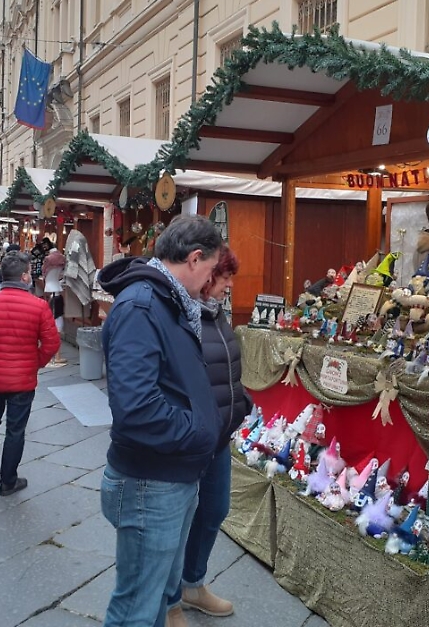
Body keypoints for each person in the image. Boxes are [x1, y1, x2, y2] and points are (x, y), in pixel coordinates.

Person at [96, 215, 224, 627]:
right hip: (150, 482)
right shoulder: (142, 305)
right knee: (137, 605)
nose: (209, 281)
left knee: (151, 603)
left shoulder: (165, 300)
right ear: (194, 258)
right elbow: (136, 408)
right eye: (209, 270)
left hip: (167, 474)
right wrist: (198, 430)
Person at [166, 245, 251, 625]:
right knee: (178, 518)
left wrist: (242, 403)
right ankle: (168, 601)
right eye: (225, 276)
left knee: (214, 509)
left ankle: (193, 583)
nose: (229, 285)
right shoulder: (183, 314)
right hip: (192, 436)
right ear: (207, 274)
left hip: (219, 435)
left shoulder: (216, 315)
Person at [0, 252, 59, 496]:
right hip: (22, 380)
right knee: (16, 430)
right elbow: (51, 344)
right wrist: (34, 363)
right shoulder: (39, 306)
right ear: (25, 276)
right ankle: (8, 480)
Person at [41, 247, 67, 367]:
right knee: (57, 322)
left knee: (53, 322)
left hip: (50, 290)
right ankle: (56, 356)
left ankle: (54, 356)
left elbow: (45, 276)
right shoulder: (61, 260)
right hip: (57, 290)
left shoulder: (48, 261)